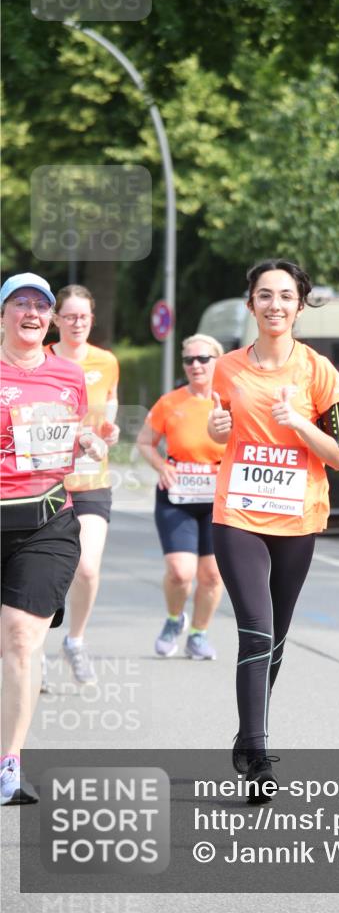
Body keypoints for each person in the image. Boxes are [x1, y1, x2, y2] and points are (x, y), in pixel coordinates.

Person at [208, 259, 339, 802]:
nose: (275, 305)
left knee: (277, 638)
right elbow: (219, 430)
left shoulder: (320, 372)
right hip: (239, 514)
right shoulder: (226, 369)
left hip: (297, 518)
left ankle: (248, 733)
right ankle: (259, 754)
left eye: (285, 296)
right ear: (251, 304)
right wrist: (216, 428)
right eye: (265, 295)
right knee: (256, 630)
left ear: (299, 306)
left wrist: (299, 425)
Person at [0, 273, 107, 805]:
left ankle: (8, 763)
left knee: (21, 636)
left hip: (46, 521)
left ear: (50, 319)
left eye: (40, 306)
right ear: (3, 314)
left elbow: (73, 428)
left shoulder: (69, 374)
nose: (32, 312)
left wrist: (87, 439)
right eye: (20, 303)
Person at [44, 285, 120, 685]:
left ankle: (75, 640)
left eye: (84, 317)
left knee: (87, 568)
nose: (77, 323)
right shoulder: (41, 359)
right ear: (56, 319)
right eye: (70, 316)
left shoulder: (106, 361)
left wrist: (110, 429)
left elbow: (111, 402)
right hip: (46, 481)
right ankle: (33, 649)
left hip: (91, 479)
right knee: (45, 569)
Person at [137, 334, 226, 661]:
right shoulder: (170, 402)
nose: (195, 365)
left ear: (218, 361)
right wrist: (162, 466)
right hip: (178, 496)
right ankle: (174, 619)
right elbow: (144, 442)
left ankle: (199, 635)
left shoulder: (230, 402)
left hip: (218, 499)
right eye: (189, 360)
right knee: (180, 572)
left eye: (203, 359)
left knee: (212, 574)